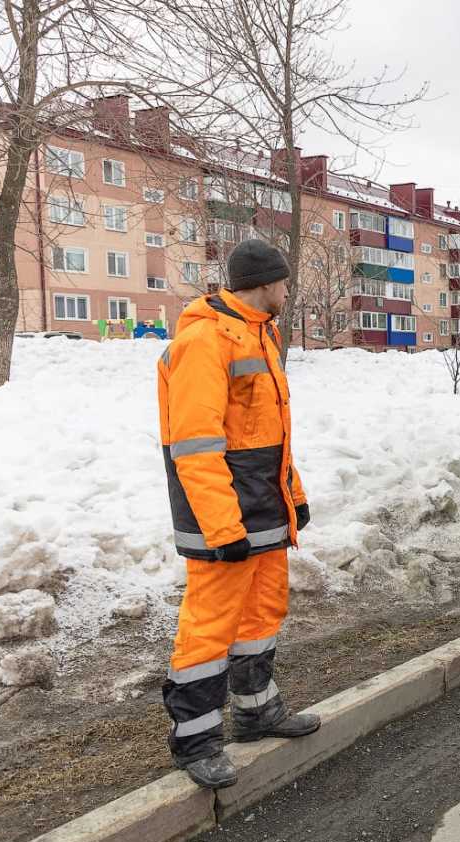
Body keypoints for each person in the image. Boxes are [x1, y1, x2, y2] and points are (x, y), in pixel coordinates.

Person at [156, 239, 319, 789]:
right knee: (209, 627)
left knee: (261, 614)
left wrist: (292, 496)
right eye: (284, 282)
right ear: (266, 283)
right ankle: (196, 741)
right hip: (224, 516)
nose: (288, 291)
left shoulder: (259, 333)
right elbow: (196, 446)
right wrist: (222, 527)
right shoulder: (204, 340)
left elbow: (272, 435)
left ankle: (256, 712)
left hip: (262, 509)